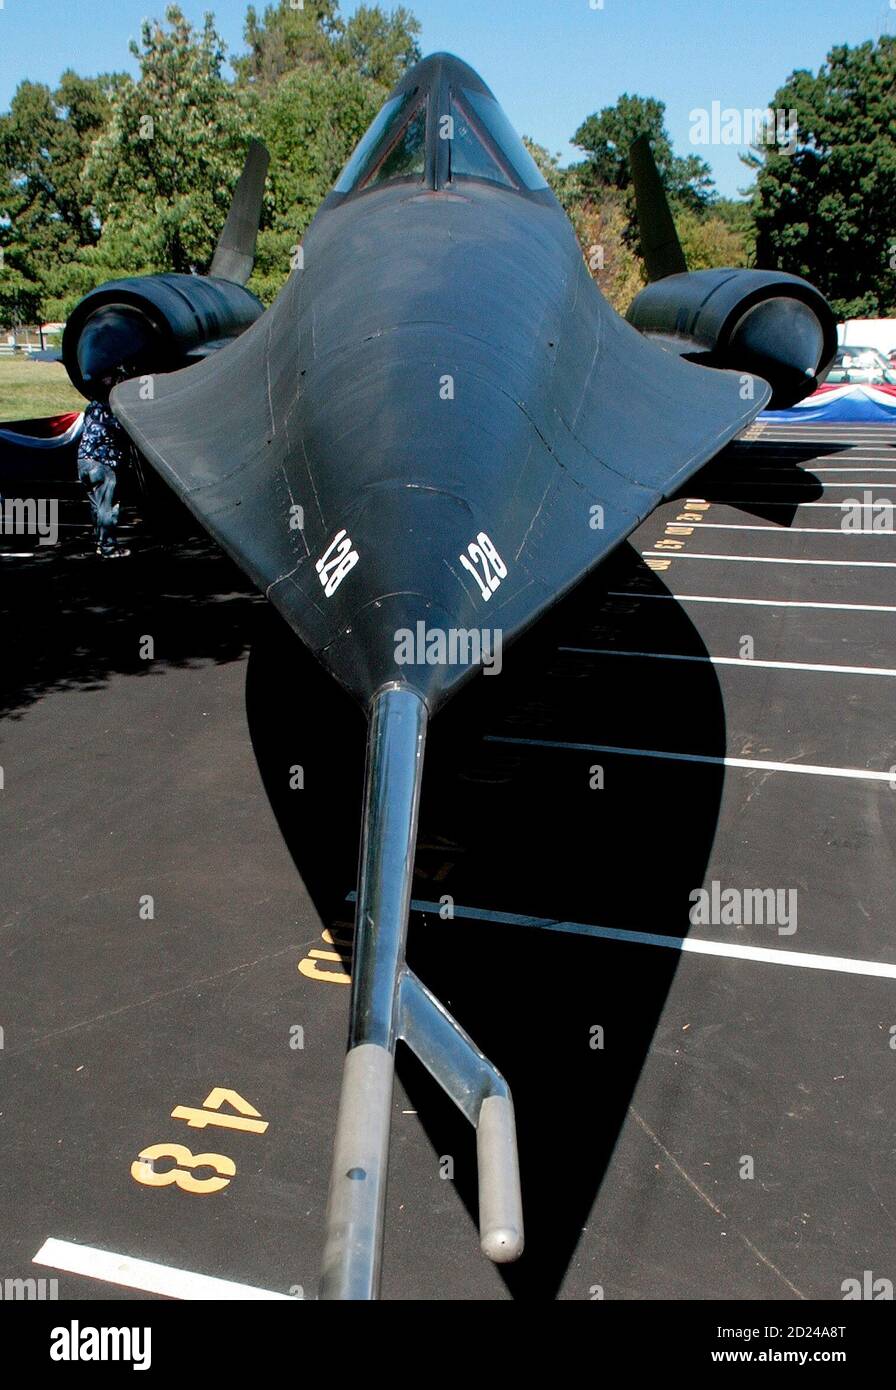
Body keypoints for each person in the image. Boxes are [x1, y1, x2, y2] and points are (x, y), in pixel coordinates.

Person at [77, 369, 132, 558]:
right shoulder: (111, 410)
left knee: (96, 505)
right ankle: (108, 547)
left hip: (84, 460)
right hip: (103, 461)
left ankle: (100, 542)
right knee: (107, 506)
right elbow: (123, 430)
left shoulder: (92, 407)